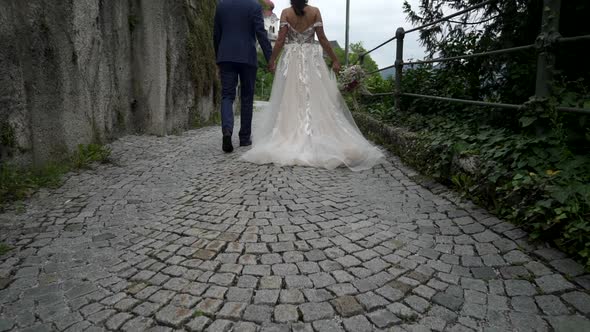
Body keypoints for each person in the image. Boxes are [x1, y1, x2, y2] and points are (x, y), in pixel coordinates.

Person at [241, 0, 385, 171]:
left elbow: (280, 40)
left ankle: (288, 134)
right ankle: (318, 134)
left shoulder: (286, 12)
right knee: (316, 97)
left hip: (292, 59)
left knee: (291, 97)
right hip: (311, 59)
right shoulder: (315, 11)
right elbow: (322, 38)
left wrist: (272, 60)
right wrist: (335, 59)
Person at [214, 0, 273, 153]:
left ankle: (227, 131)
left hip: (226, 56)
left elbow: (216, 34)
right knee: (247, 97)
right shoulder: (254, 6)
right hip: (247, 57)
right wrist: (270, 60)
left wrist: (218, 57)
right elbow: (261, 34)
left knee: (227, 96)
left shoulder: (221, 5)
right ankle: (244, 138)